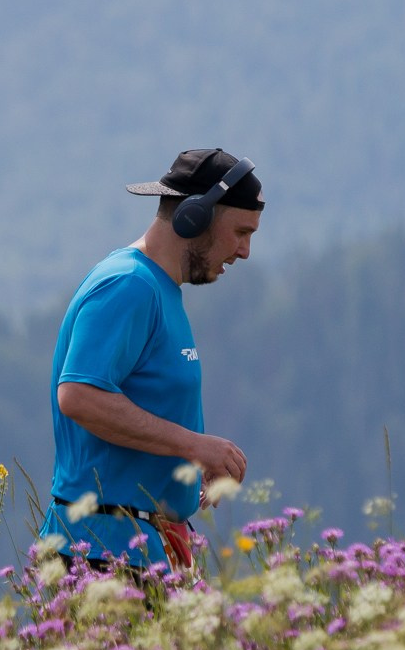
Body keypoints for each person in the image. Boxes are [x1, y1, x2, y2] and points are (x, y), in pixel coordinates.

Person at [41, 148, 263, 574]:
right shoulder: (129, 286)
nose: (245, 250)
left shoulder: (159, 289)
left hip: (141, 549)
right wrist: (195, 445)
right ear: (194, 217)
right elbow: (79, 395)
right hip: (104, 553)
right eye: (240, 231)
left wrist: (186, 465)